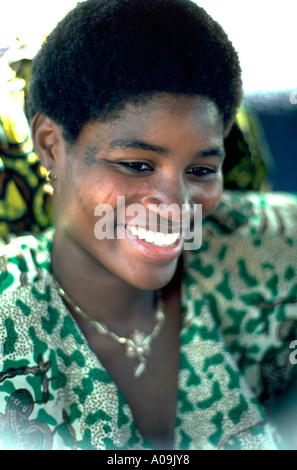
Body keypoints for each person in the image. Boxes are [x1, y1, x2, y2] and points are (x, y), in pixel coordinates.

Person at [0, 0, 296, 451]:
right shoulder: (9, 317)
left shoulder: (272, 251)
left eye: (200, 170)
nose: (176, 205)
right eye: (137, 164)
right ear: (51, 147)